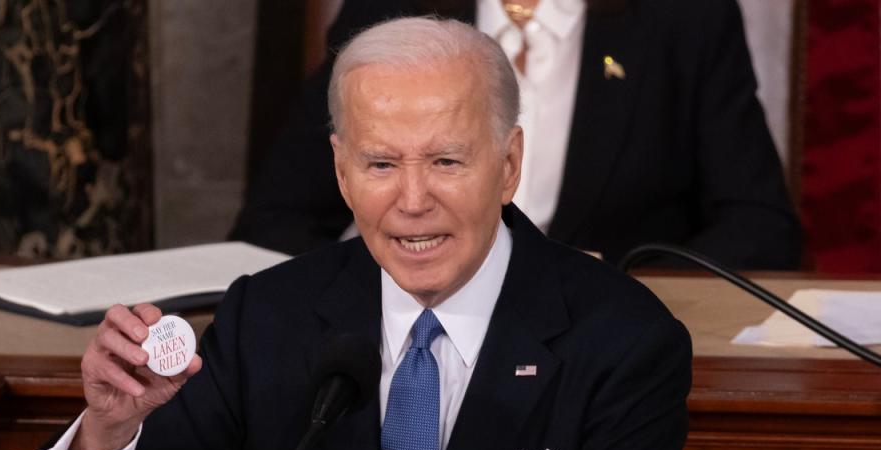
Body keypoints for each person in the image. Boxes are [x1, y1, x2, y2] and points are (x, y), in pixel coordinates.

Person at [24, 17, 692, 450]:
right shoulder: (272, 318)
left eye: (446, 162)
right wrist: (106, 429)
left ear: (509, 165)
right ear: (342, 171)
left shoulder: (620, 339)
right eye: (380, 164)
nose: (411, 201)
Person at [230, 0, 803, 270]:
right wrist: (393, 279)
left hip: (605, 354)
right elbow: (274, 221)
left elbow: (761, 229)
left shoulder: (684, 18)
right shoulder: (391, 8)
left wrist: (609, 277)